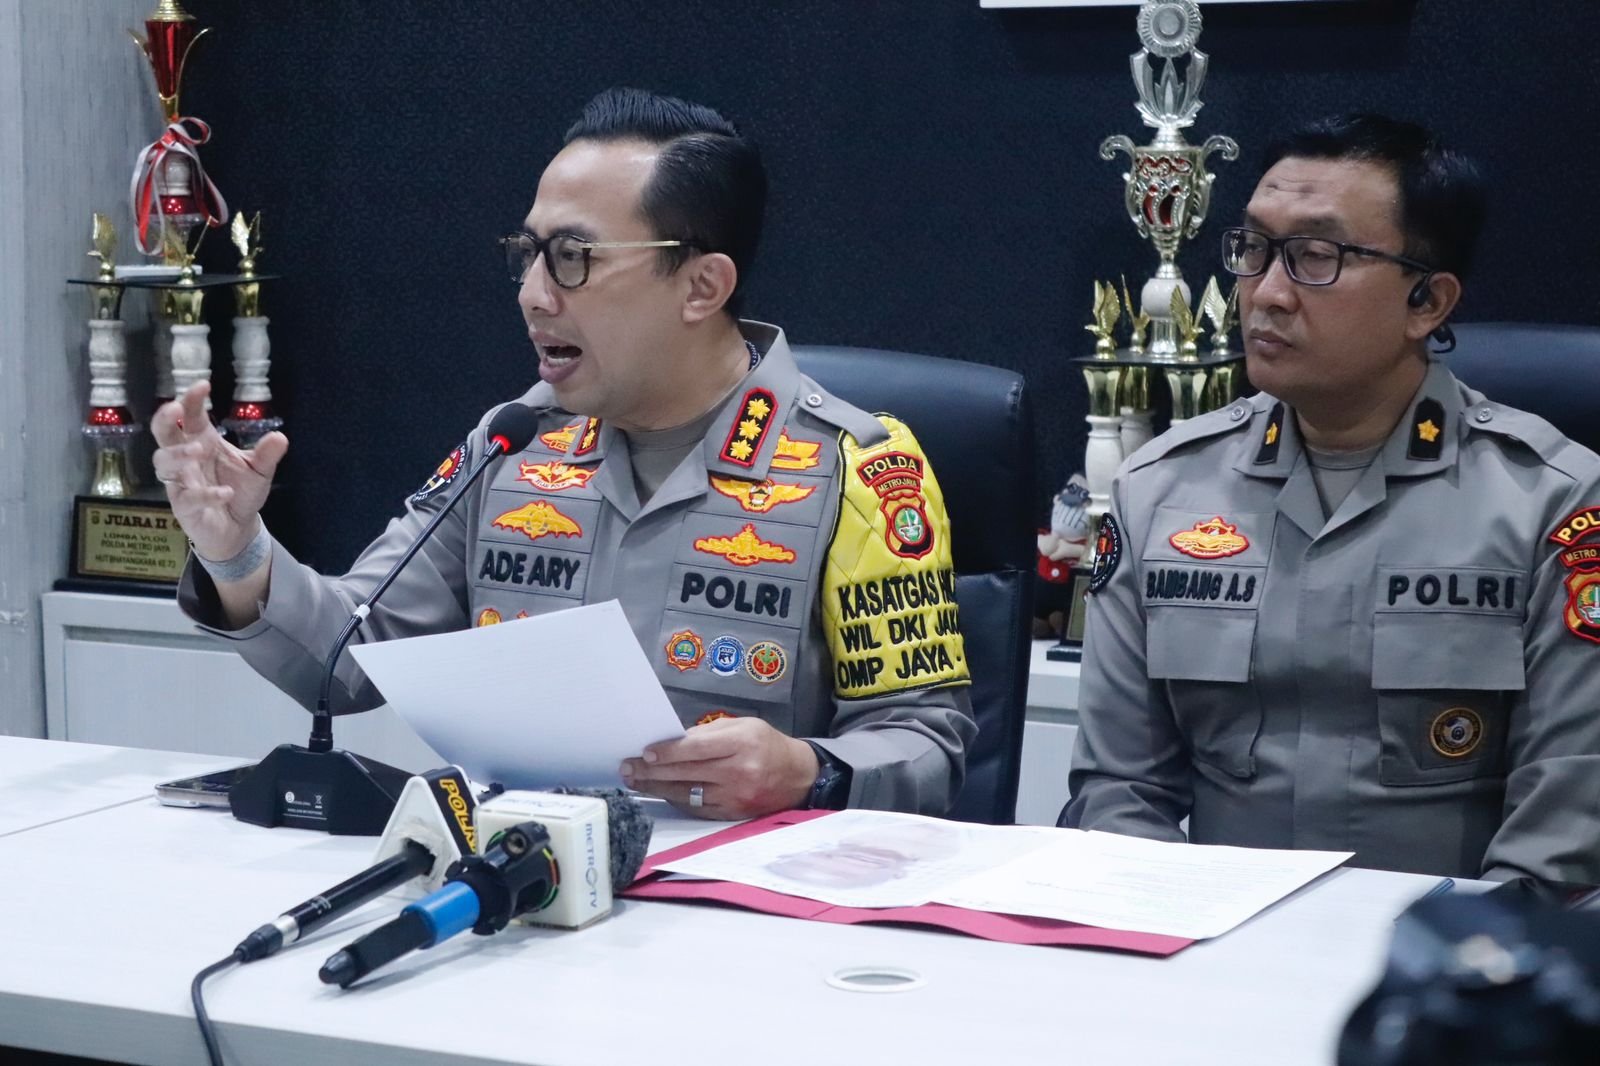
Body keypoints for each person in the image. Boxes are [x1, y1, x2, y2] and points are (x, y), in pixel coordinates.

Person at [155, 88, 973, 820]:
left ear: (702, 286)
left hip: (742, 910)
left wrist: (810, 770)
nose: (532, 294)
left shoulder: (856, 467)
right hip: (520, 893)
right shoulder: (512, 442)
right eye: (529, 254)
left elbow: (928, 743)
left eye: (573, 258)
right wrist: (237, 554)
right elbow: (347, 660)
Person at [1061, 113, 1600, 882]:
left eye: (1317, 256)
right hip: (1216, 941)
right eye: (1254, 249)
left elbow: (1565, 835)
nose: (1268, 294)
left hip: (1454, 947)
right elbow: (1119, 793)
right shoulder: (1160, 489)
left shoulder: (1553, 503)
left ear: (1427, 302)